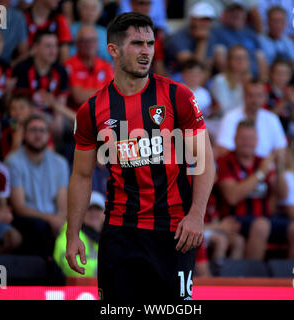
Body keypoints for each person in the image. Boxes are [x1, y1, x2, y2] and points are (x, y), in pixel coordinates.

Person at [66, 12, 215, 301]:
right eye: (137, 43)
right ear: (113, 50)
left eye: (150, 43)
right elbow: (82, 176)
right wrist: (73, 235)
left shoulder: (178, 96)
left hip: (174, 232)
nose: (146, 51)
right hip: (121, 234)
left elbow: (205, 160)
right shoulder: (92, 110)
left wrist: (197, 214)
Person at [217, 120, 294, 260]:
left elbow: (283, 194)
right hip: (235, 220)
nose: (247, 142)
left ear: (257, 140)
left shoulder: (261, 161)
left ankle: (293, 279)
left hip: (266, 218)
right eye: (243, 138)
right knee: (261, 226)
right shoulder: (225, 161)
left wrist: (280, 167)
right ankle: (252, 278)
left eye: (251, 138)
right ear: (235, 139)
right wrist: (260, 173)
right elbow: (232, 197)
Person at [6, 114, 69, 257]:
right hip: (27, 220)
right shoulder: (13, 161)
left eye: (42, 130)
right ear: (24, 135)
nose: (38, 134)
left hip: (54, 220)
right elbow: (19, 207)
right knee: (39, 227)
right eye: (33, 130)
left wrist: (59, 219)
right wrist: (50, 219)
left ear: (48, 135)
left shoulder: (60, 163)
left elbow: (63, 205)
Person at [216, 79, 287, 159]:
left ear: (265, 97)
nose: (255, 100)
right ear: (244, 96)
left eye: (259, 96)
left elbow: (281, 149)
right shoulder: (230, 117)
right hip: (237, 167)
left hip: (266, 167)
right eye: (251, 95)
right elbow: (223, 149)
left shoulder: (272, 119)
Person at [54, 191, 105, 278]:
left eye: (98, 209)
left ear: (105, 213)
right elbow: (70, 266)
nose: (93, 213)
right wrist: (105, 270)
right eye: (89, 209)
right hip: (76, 289)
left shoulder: (109, 235)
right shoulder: (71, 233)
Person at [212, 0, 268, 79]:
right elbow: (220, 60)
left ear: (245, 14)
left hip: (253, 79)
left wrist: (262, 82)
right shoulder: (217, 32)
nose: (236, 13)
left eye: (240, 10)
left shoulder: (251, 33)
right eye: (232, 11)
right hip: (231, 79)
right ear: (225, 14)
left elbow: (261, 59)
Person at [165, 1, 221, 75]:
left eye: (208, 20)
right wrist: (202, 41)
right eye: (202, 19)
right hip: (176, 76)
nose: (205, 23)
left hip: (198, 79)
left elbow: (207, 68)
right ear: (192, 20)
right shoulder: (178, 37)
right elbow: (193, 67)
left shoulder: (210, 36)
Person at [65, 24, 114, 109]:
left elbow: (113, 94)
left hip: (103, 114)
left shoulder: (106, 65)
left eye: (93, 40)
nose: (89, 44)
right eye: (85, 40)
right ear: (77, 43)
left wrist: (87, 92)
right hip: (77, 116)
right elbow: (78, 97)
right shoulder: (69, 65)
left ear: (97, 43)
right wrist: (104, 91)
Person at [210, 45, 251, 118]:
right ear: (229, 61)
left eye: (244, 58)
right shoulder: (220, 80)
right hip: (224, 121)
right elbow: (224, 109)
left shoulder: (252, 81)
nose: (240, 61)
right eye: (237, 58)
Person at [258, 5, 294, 70]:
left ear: (285, 23)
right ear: (267, 22)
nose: (278, 24)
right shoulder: (259, 41)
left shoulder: (290, 43)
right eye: (274, 21)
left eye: (281, 21)